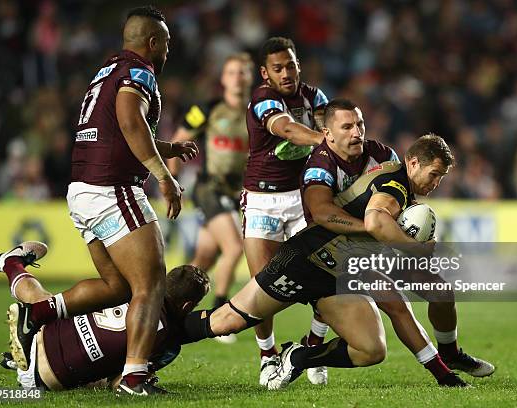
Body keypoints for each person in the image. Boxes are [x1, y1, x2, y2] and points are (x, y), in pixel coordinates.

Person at [3, 6, 198, 396]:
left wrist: (169, 148)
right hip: (113, 188)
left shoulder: (106, 72)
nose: (168, 51)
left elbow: (118, 129)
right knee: (151, 283)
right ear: (153, 41)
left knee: (117, 286)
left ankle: (40, 311)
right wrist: (164, 176)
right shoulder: (140, 72)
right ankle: (134, 376)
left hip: (82, 191)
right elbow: (129, 121)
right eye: (167, 43)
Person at [179, 132, 474, 390]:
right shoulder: (395, 186)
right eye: (434, 174)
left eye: (441, 177)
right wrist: (415, 249)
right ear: (413, 163)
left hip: (336, 275)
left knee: (372, 349)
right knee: (226, 321)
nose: (436, 182)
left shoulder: (403, 188)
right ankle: (159, 337)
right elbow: (374, 223)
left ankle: (301, 356)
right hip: (307, 261)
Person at [301, 99, 495, 378]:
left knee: (440, 292)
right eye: (348, 126)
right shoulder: (320, 164)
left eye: (360, 124)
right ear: (330, 133)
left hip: (375, 241)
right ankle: (309, 350)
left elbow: (400, 208)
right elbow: (323, 214)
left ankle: (450, 355)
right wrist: (405, 243)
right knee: (393, 301)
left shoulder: (383, 157)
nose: (357, 132)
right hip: (333, 245)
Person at [0, 241, 209, 394]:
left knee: (45, 301)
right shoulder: (166, 341)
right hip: (43, 381)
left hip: (42, 334)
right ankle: (13, 266)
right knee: (105, 377)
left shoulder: (135, 286)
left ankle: (12, 264)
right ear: (188, 305)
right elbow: (119, 383)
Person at [242, 36, 330, 386]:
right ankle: (267, 356)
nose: (286, 73)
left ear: (298, 64)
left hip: (305, 199)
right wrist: (325, 139)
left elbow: (331, 124)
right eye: (277, 68)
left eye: (290, 65)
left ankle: (313, 348)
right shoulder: (263, 99)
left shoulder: (315, 97)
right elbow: (288, 130)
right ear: (265, 73)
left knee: (326, 276)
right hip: (262, 199)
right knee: (261, 285)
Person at [171, 53, 254, 344]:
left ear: (250, 77)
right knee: (233, 248)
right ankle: (220, 311)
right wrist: (170, 181)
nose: (238, 77)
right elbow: (178, 139)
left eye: (243, 72)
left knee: (204, 258)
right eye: (232, 72)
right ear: (223, 79)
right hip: (209, 188)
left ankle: (168, 306)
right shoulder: (207, 108)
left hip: (236, 193)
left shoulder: (258, 113)